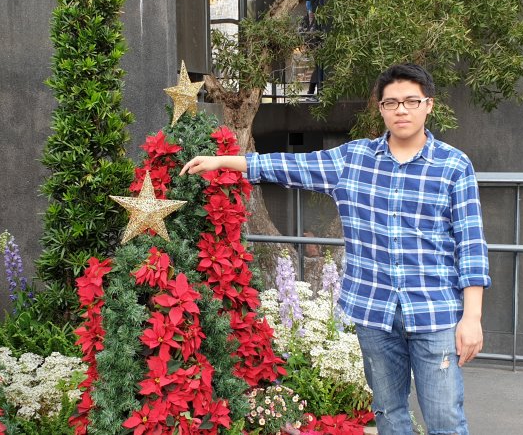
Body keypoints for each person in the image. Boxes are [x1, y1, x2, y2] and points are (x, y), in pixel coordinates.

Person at [180, 64, 490, 434]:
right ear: (381, 109)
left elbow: (471, 244)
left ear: (428, 105)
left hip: (435, 311)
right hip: (374, 311)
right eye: (391, 102)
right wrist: (222, 162)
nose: (401, 110)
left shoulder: (453, 165)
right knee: (388, 412)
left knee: (445, 419)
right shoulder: (353, 159)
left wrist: (472, 318)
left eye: (411, 101)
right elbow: (288, 166)